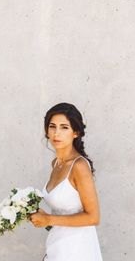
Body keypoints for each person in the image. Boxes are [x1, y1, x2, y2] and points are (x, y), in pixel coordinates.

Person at [30, 103, 103, 260]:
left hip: (77, 248)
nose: (57, 133)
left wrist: (49, 219)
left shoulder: (79, 166)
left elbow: (93, 217)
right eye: (52, 126)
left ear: (75, 132)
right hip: (58, 243)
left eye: (64, 127)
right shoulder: (56, 164)